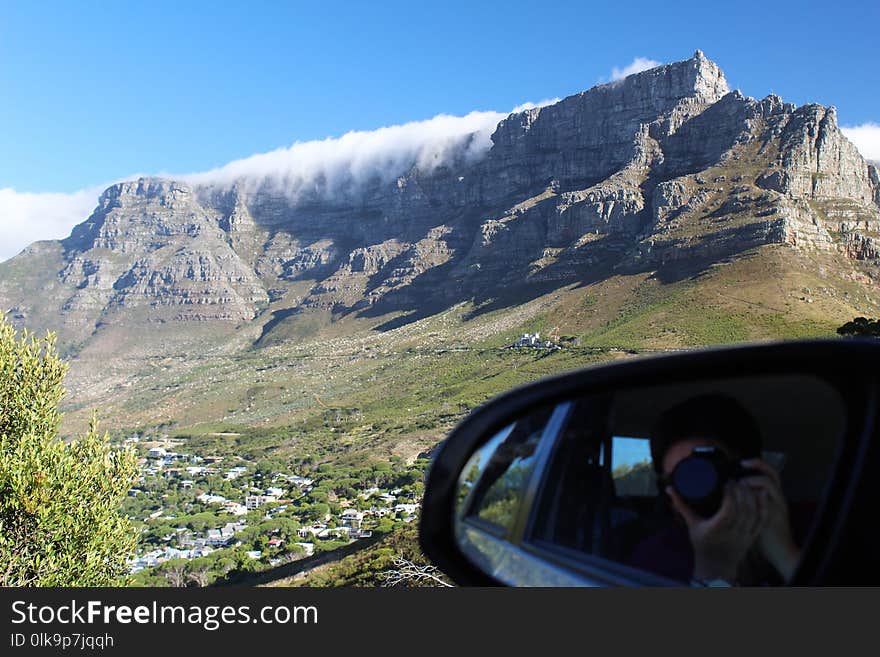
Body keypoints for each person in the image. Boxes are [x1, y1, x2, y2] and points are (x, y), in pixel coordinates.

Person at [630, 394, 801, 586]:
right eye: (684, 479)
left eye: (709, 474)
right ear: (667, 489)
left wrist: (783, 553)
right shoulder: (655, 557)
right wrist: (712, 569)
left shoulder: (809, 529)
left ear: (751, 472)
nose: (698, 492)